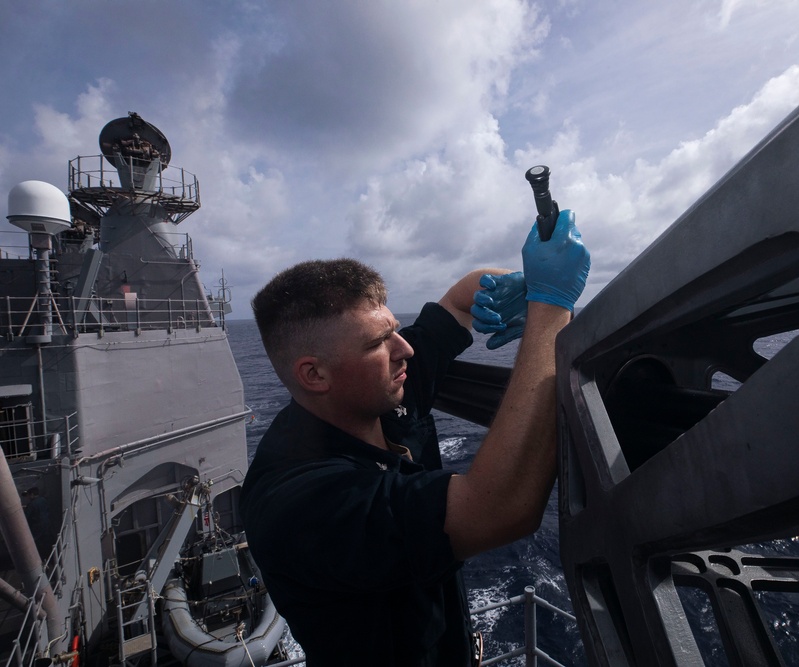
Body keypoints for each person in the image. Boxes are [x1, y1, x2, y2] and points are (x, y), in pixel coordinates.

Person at [240, 210, 589, 666]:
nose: (404, 350)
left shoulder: (379, 393)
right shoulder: (300, 501)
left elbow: (460, 297)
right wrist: (551, 305)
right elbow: (500, 508)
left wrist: (508, 286)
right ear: (314, 373)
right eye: (377, 343)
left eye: (396, 331)